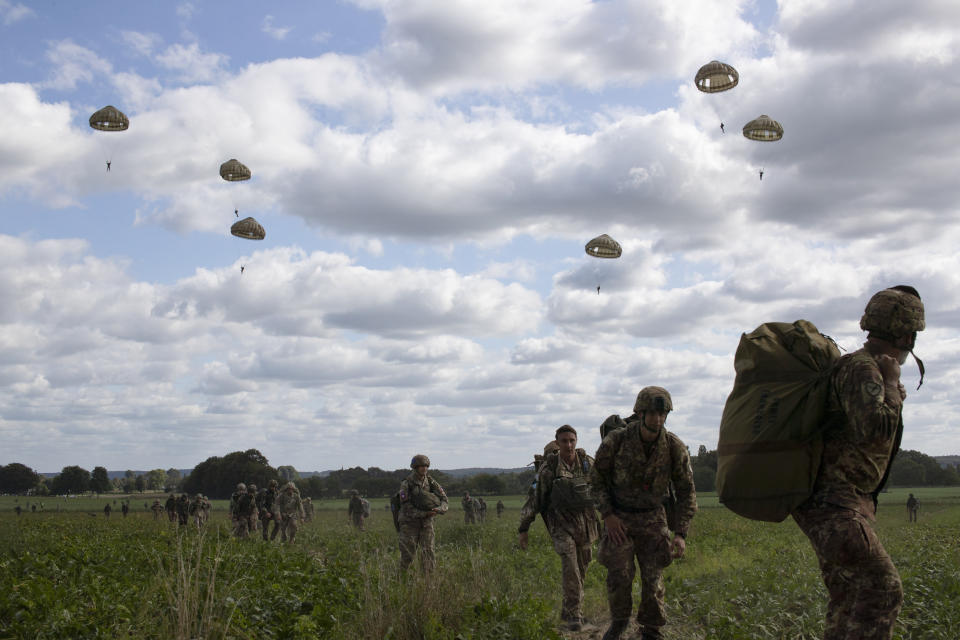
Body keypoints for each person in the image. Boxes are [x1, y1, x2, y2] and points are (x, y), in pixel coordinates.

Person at [791, 286, 925, 640]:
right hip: (836, 505)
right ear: (906, 334)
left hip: (829, 504)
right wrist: (893, 387)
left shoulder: (859, 367)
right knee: (884, 589)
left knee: (848, 598)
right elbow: (874, 430)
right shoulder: (865, 369)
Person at [591, 386, 697, 640]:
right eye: (652, 413)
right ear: (640, 413)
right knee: (620, 576)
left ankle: (651, 628)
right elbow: (595, 480)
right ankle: (619, 623)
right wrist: (608, 515)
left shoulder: (674, 447)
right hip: (620, 520)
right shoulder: (616, 441)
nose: (657, 419)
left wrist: (680, 533)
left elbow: (686, 492)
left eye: (662, 414)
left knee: (653, 579)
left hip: (653, 519)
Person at [518, 425, 600, 631]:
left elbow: (603, 489)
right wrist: (523, 529)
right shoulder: (549, 470)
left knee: (582, 570)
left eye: (572, 440)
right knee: (571, 569)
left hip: (586, 526)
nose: (569, 445)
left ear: (577, 441)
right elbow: (535, 500)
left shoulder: (587, 464)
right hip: (561, 526)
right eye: (564, 441)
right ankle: (574, 617)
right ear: (558, 443)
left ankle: (569, 610)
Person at [397, 454, 448, 574]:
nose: (424, 468)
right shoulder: (406, 483)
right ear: (415, 467)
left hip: (427, 522)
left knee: (428, 552)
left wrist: (440, 509)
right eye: (420, 466)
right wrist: (424, 513)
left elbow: (444, 499)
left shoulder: (430, 481)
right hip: (410, 523)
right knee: (408, 554)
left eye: (426, 466)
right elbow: (405, 506)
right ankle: (402, 578)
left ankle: (428, 580)